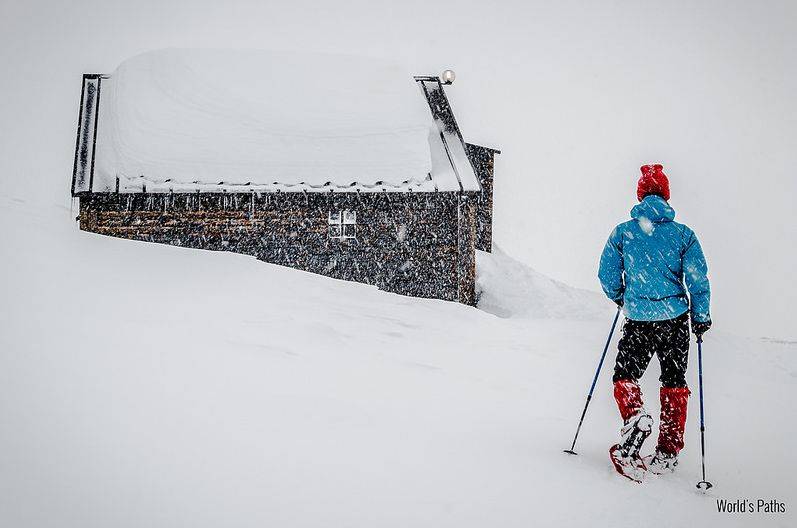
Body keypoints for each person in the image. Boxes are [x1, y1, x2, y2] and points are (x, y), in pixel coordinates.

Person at [598, 164, 711, 476]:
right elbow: (698, 280)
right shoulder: (684, 235)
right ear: (667, 195)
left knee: (625, 374)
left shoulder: (623, 232)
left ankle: (635, 416)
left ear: (640, 194)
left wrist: (621, 295)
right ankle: (667, 451)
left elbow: (606, 275)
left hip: (639, 319)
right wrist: (700, 316)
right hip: (675, 320)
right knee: (674, 381)